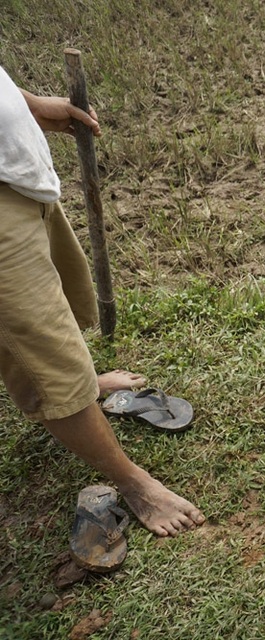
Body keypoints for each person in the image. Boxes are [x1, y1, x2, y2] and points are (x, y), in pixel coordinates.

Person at [0, 64, 204, 537]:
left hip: (23, 181)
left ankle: (84, 382)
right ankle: (134, 483)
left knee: (57, 313)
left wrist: (25, 104)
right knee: (42, 355)